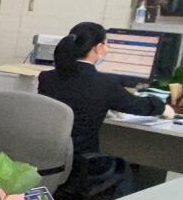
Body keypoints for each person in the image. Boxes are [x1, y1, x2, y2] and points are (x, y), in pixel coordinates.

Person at [38, 22, 175, 156]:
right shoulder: (105, 84)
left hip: (44, 155)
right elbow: (138, 105)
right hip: (80, 161)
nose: (108, 48)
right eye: (106, 44)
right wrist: (163, 108)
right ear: (98, 48)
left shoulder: (46, 77)